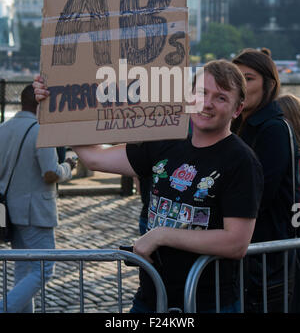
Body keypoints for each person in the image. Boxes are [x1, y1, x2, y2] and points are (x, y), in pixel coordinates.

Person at [33, 60, 264, 313]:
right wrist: (53, 108)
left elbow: (236, 243)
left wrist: (161, 234)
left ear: (237, 109)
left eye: (220, 97)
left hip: (210, 302)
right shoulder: (166, 143)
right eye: (201, 93)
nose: (207, 103)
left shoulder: (241, 161)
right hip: (152, 297)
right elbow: (94, 158)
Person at [232, 48, 300, 312]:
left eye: (248, 79)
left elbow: (259, 195)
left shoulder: (273, 129)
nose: (239, 85)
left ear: (269, 85)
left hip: (266, 260)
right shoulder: (241, 125)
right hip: (247, 255)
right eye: (235, 78)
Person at [0, 85, 76, 313]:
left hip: (10, 211)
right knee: (44, 268)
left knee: (24, 270)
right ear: (42, 104)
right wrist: (68, 166)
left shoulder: (3, 128)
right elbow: (50, 173)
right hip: (35, 211)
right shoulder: (41, 131)